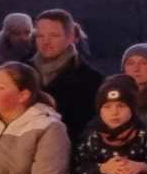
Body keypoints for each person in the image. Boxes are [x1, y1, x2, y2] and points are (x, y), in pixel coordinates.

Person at [32, 10, 104, 148]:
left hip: (68, 151)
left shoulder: (92, 79)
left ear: (70, 37)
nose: (46, 41)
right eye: (40, 36)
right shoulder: (21, 73)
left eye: (54, 35)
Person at [0, 12, 37, 79]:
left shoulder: (38, 41)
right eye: (16, 33)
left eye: (27, 32)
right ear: (7, 34)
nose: (23, 38)